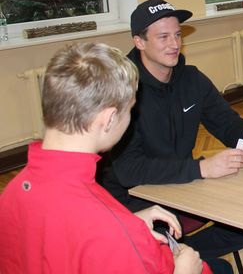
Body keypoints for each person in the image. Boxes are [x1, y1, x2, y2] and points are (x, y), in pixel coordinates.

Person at [0, 42, 211, 273]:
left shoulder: (13, 193)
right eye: (130, 110)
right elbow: (103, 236)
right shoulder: (110, 233)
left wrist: (130, 220)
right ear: (109, 119)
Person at [100, 0, 243, 273]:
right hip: (134, 202)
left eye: (177, 35)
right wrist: (202, 168)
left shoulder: (191, 79)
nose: (174, 44)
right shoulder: (123, 92)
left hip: (183, 188)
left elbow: (225, 121)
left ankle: (180, 252)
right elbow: (130, 170)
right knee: (220, 264)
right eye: (163, 37)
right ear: (139, 42)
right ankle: (174, 255)